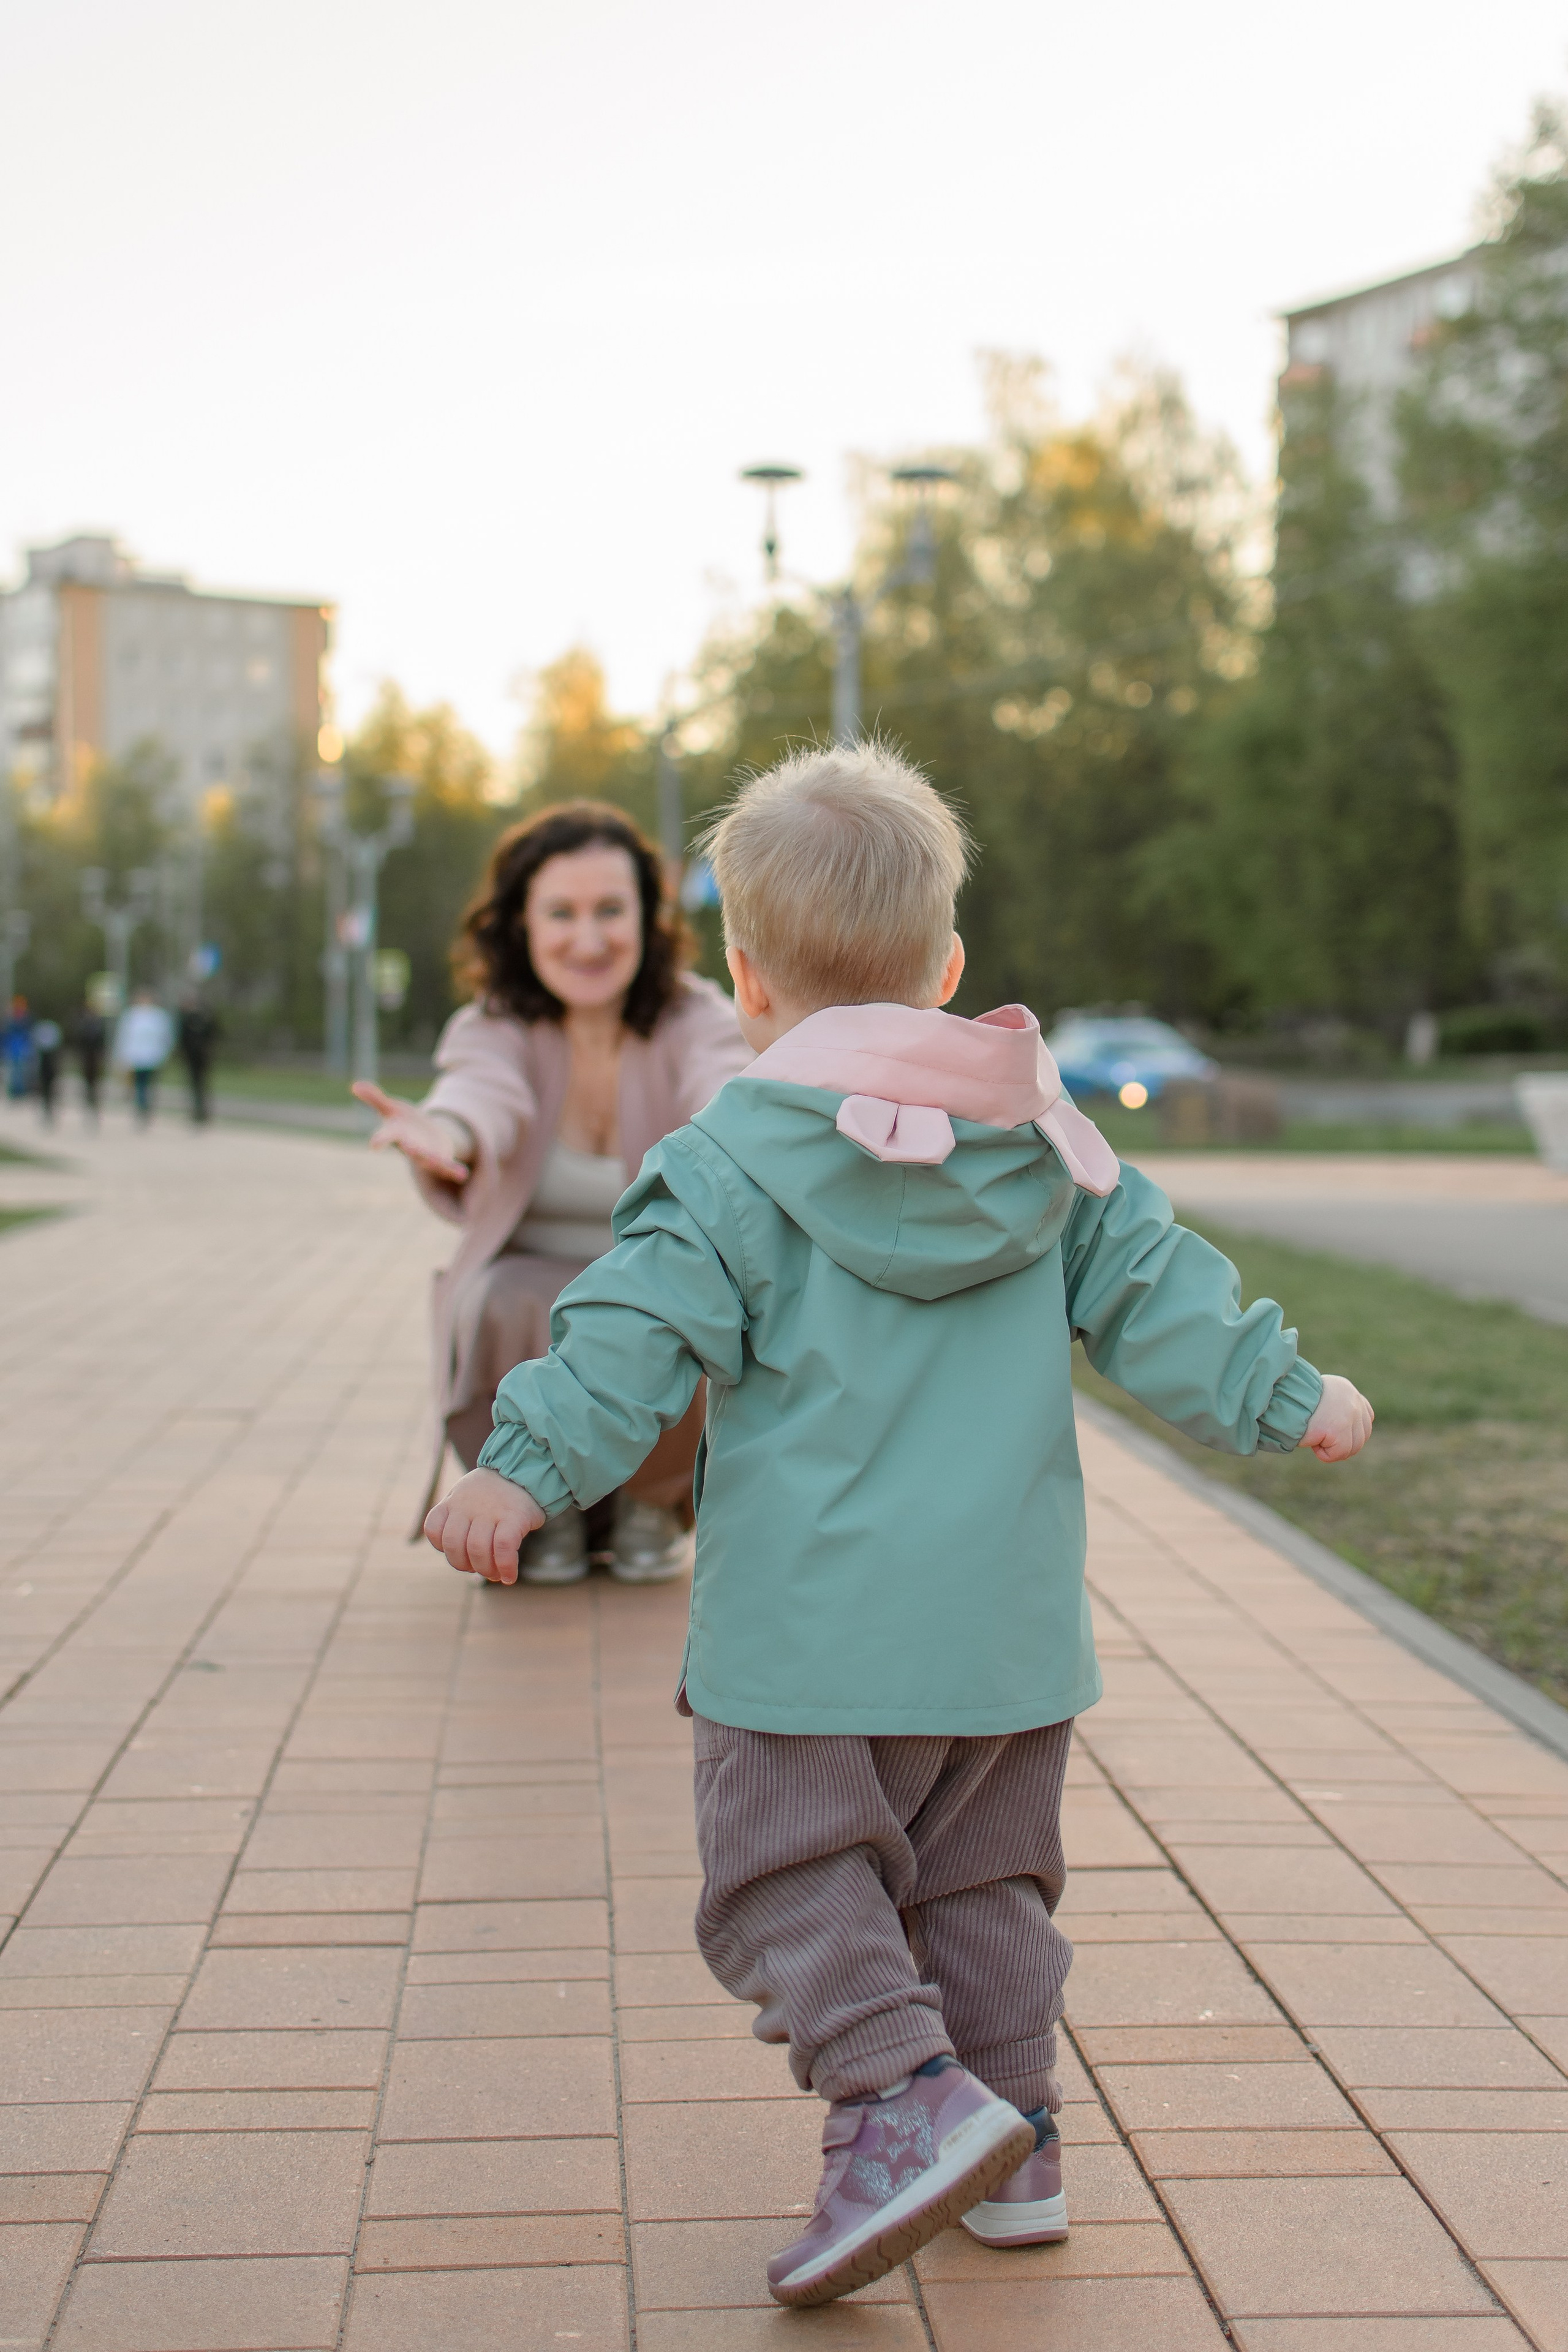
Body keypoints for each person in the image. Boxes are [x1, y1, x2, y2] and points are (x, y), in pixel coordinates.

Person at [421, 742, 1375, 2309]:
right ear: (945, 963)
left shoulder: (725, 1162)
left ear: (744, 983)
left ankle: (897, 2102)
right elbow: (1163, 1298)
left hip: (805, 1640)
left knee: (779, 1869)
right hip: (1005, 1635)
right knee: (980, 1886)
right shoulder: (1054, 1148)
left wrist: (514, 1468)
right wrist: (1289, 1394)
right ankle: (1021, 2141)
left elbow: (624, 1335)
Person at [356, 801, 750, 1583]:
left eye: (611, 909)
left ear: (648, 917)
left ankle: (652, 1503)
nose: (589, 938)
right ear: (523, 925)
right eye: (561, 913)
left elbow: (727, 1085)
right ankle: (537, 1506)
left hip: (657, 1281)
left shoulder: (694, 1016)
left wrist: (749, 1126)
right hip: (529, 1288)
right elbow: (480, 1094)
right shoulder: (496, 1026)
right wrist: (449, 1134)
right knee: (504, 1295)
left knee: (677, 1301)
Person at [113, 989, 175, 1125]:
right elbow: (123, 1038)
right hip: (136, 1057)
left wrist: (165, 1054)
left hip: (153, 1057)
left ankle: (147, 1106)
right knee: (139, 1084)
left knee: (150, 1084)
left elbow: (166, 1037)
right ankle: (141, 1108)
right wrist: (122, 1057)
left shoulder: (159, 1016)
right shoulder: (131, 1015)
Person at [176, 995, 222, 1123]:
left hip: (200, 1057)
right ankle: (199, 1111)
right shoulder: (190, 1019)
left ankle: (201, 1111)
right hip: (196, 1057)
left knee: (198, 1084)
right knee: (198, 1084)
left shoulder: (198, 1020)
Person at [75, 1002, 107, 1124]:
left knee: (95, 1082)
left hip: (94, 1058)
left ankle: (94, 1102)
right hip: (86, 1058)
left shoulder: (98, 1025)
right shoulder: (83, 1025)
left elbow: (101, 1042)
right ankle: (89, 1102)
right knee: (88, 1082)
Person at [31, 1016, 62, 1123]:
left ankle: (49, 1110)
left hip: (49, 1067)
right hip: (45, 1066)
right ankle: (47, 1110)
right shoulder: (45, 1030)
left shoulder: (49, 1030)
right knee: (46, 1090)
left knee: (49, 1090)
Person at [4, 997, 34, 1100]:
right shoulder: (11, 1021)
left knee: (20, 1071)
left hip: (20, 1048)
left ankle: (20, 1091)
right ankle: (15, 1091)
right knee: (14, 1071)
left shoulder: (25, 1020)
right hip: (13, 1048)